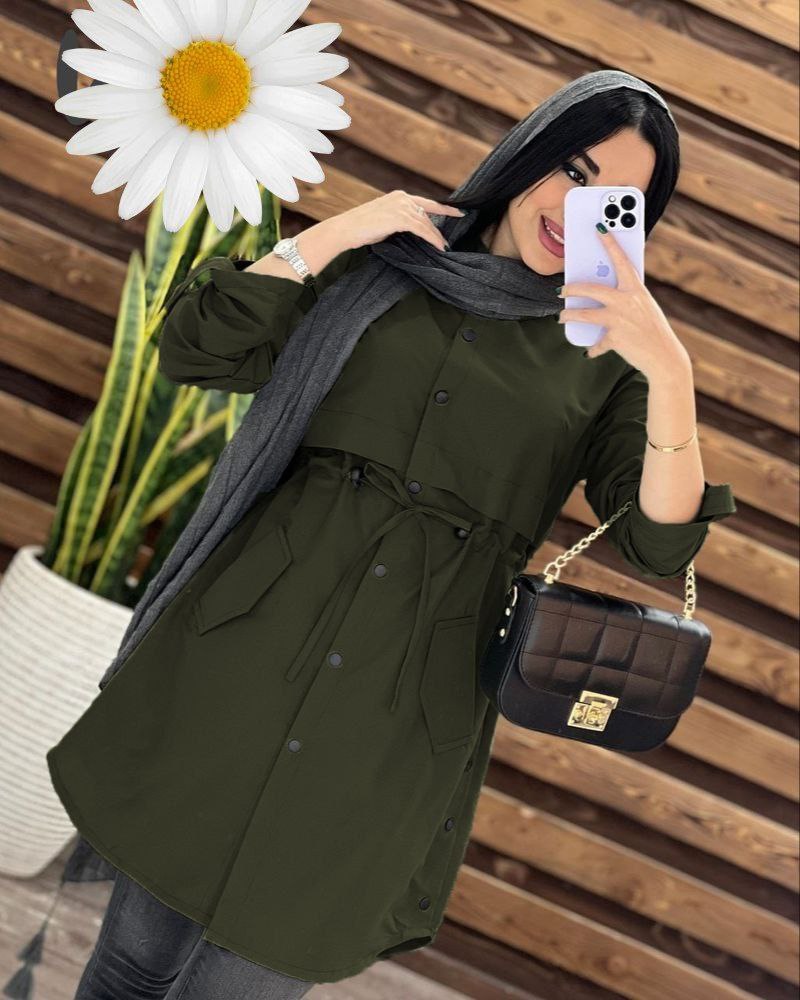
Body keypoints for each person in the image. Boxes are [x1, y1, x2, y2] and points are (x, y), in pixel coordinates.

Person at [40, 74, 736, 999]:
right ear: (530, 152)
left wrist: (671, 371)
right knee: (129, 964)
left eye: (617, 199)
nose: (579, 208)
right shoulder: (385, 266)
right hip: (244, 647)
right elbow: (200, 349)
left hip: (405, 704)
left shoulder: (610, 357)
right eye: (573, 169)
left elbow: (657, 543)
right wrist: (338, 235)